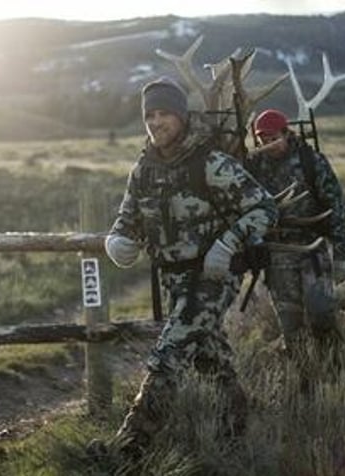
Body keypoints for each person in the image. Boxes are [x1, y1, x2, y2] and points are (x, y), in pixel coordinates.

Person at [91, 77, 278, 467]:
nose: (156, 122)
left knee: (169, 354)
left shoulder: (210, 163)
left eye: (164, 114)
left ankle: (130, 447)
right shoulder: (144, 169)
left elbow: (264, 209)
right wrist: (117, 241)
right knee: (210, 357)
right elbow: (128, 219)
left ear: (181, 116)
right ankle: (239, 429)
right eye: (150, 115)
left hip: (213, 277)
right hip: (173, 279)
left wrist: (227, 245)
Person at [244, 108, 345, 355]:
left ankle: (335, 372)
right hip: (276, 254)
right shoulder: (254, 167)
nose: (268, 145)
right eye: (262, 141)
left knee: (322, 315)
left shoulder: (311, 161)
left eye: (273, 139)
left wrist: (342, 256)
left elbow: (336, 207)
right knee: (290, 325)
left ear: (287, 134)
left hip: (312, 250)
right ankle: (301, 376)